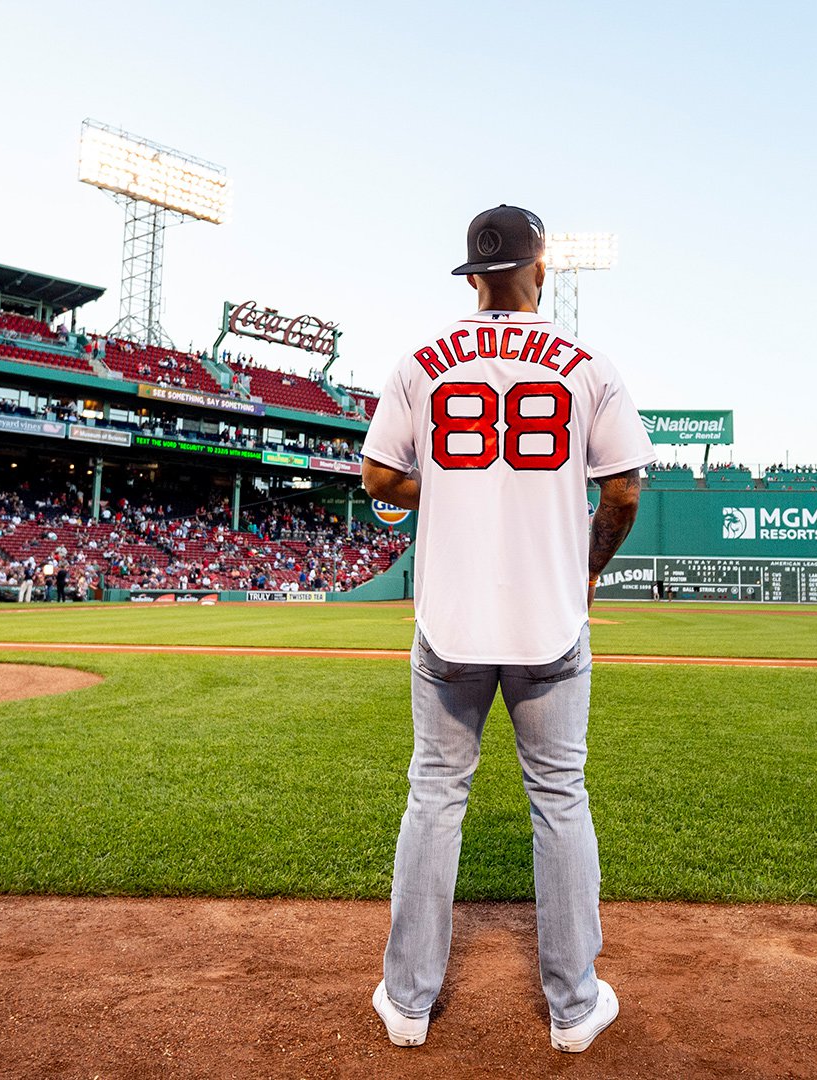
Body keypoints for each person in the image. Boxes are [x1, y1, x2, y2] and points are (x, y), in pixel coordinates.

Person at [360, 205, 651, 1054]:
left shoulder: (420, 362)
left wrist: (445, 490)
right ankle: (573, 1010)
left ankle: (409, 1003)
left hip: (447, 625)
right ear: (542, 272)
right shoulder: (587, 364)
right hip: (549, 622)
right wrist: (589, 567)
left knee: (434, 797)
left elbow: (379, 472)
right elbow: (625, 489)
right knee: (560, 800)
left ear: (473, 278)